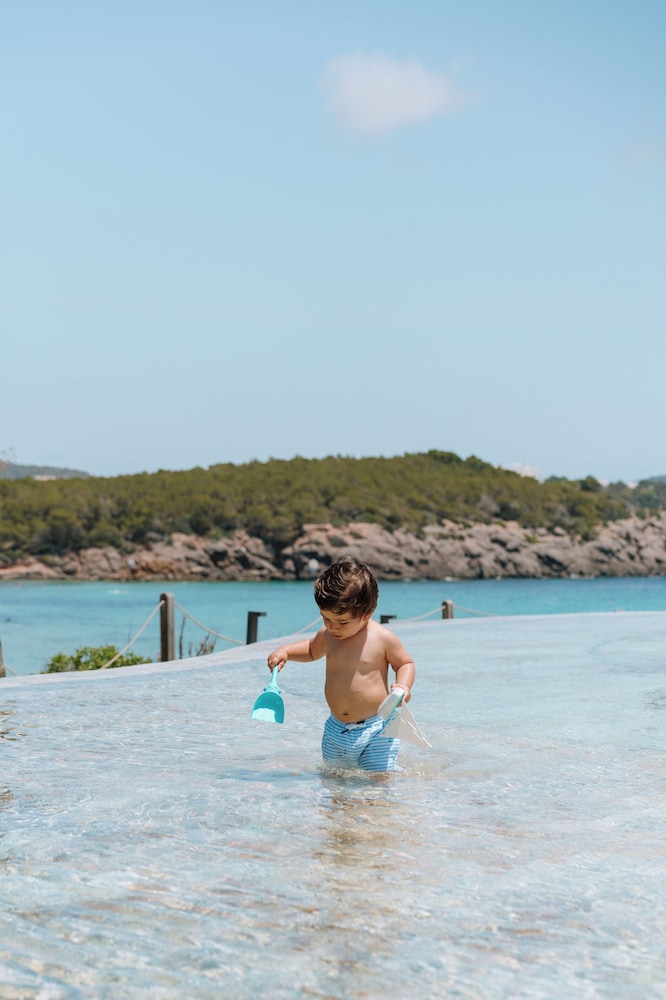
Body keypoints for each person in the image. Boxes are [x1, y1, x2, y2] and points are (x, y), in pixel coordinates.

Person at [267, 557, 416, 772]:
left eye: (342, 622)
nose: (333, 627)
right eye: (325, 618)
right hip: (336, 730)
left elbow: (404, 663)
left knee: (377, 779)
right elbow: (311, 650)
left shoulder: (381, 639)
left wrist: (404, 686)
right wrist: (286, 652)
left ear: (367, 614)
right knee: (334, 778)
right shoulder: (327, 635)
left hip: (377, 727)